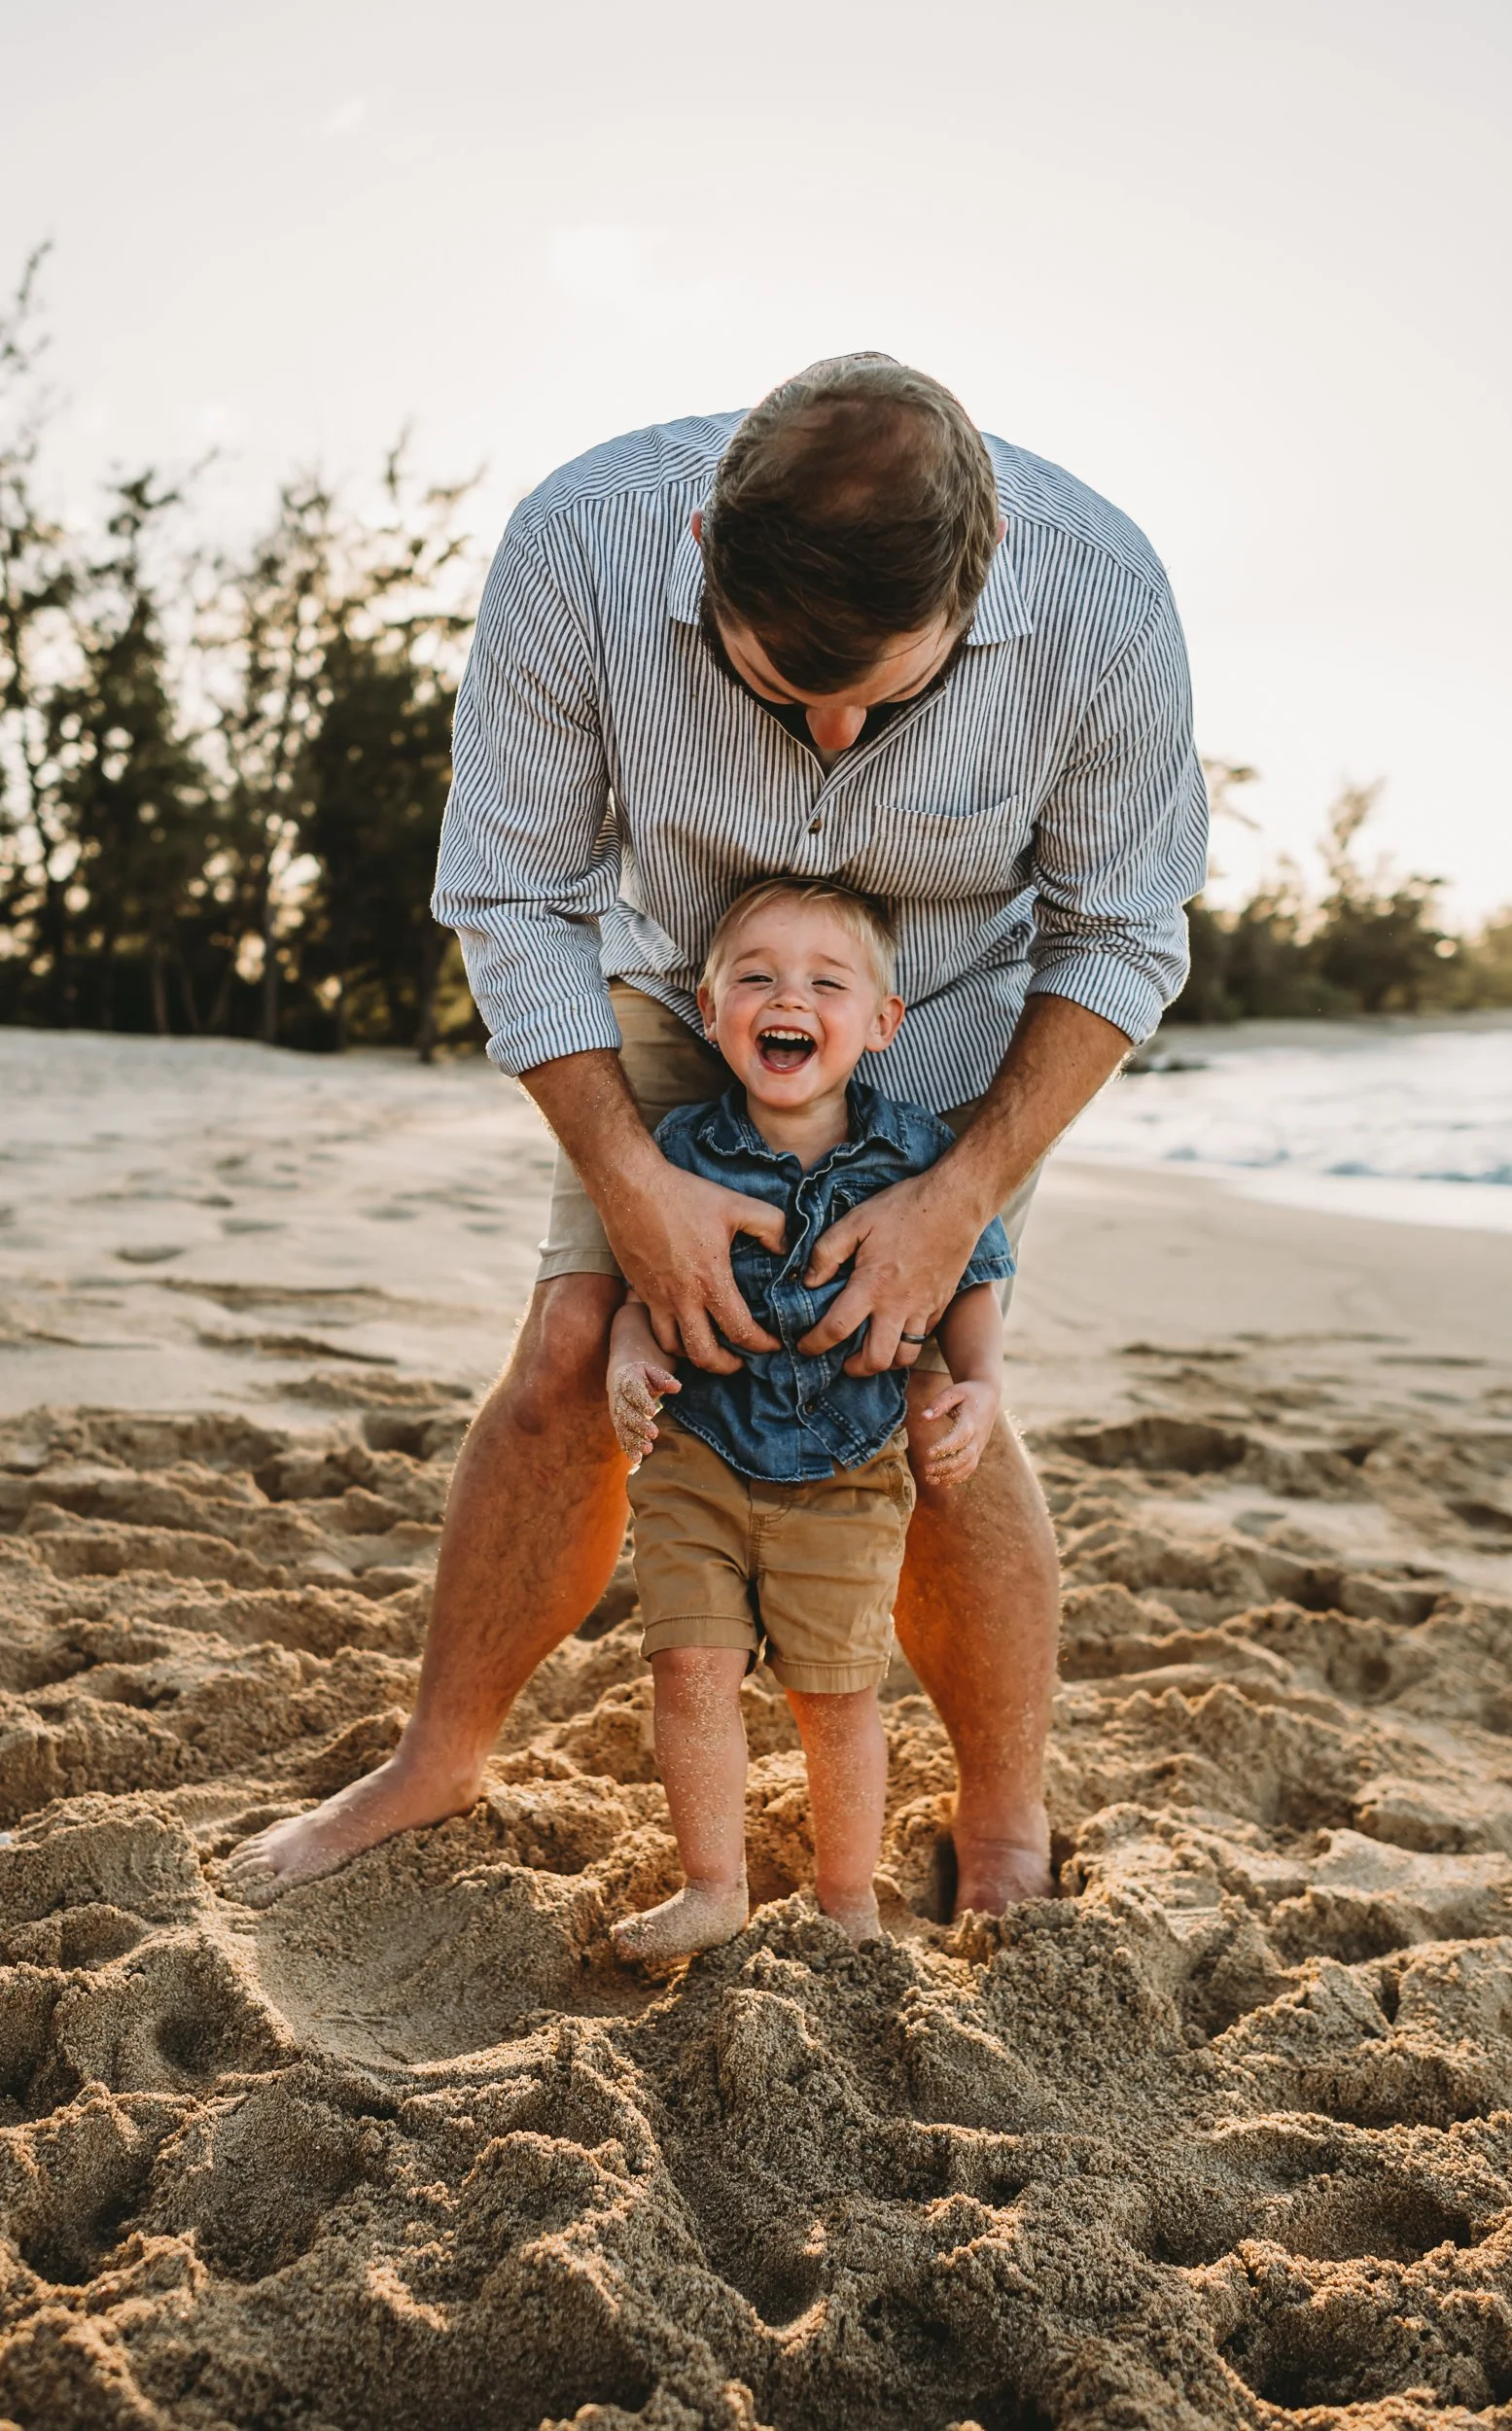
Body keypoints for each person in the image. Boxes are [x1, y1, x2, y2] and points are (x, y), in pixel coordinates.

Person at [221, 352, 1207, 1921]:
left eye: (884, 692)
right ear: (699, 551)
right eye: (772, 684)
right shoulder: (582, 545)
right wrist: (633, 1182)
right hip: (687, 975)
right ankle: (439, 1753)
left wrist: (959, 1191)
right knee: (570, 1339)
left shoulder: (1103, 598)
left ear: (987, 570)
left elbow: (1121, 934)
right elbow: (511, 898)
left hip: (944, 1000)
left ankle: (1005, 1830)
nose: (825, 731)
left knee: (928, 1383)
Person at [607, 874, 1012, 1964]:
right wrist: (627, 1362)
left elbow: (971, 1276)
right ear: (706, 1007)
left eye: (825, 982)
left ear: (881, 1023)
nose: (788, 996)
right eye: (756, 977)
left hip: (848, 1468)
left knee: (833, 1696)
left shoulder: (918, 1156)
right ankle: (711, 1883)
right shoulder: (677, 1151)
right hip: (696, 1453)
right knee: (688, 1669)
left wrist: (977, 1384)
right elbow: (636, 1294)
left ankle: (844, 1902)